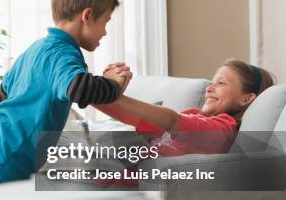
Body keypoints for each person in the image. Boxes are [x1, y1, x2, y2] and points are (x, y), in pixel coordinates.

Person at [0, 0, 132, 183]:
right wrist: (113, 84)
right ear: (87, 16)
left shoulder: (37, 48)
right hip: (7, 161)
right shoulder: (62, 53)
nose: (105, 32)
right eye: (105, 22)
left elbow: (4, 90)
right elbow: (80, 88)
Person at [95, 58, 275, 156]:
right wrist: (92, 93)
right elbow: (135, 119)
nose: (209, 88)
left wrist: (116, 95)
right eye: (212, 82)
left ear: (246, 99)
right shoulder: (194, 114)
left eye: (221, 84)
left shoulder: (223, 129)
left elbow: (173, 121)